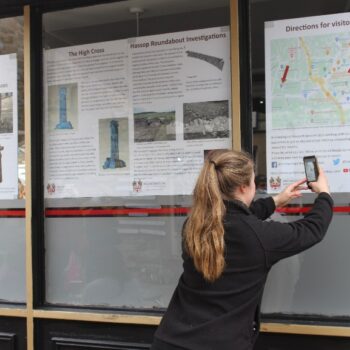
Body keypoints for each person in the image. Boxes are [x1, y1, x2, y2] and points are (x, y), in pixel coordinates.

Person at [151, 149, 333, 350]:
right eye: (254, 181)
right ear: (245, 187)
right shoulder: (258, 236)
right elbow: (312, 229)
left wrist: (275, 201)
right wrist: (324, 194)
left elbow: (235, 218)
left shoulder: (194, 225)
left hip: (169, 340)